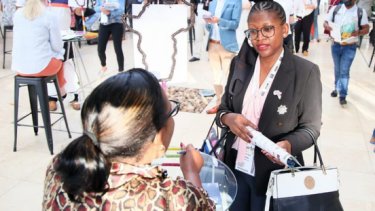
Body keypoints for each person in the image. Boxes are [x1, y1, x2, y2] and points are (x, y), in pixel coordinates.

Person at [42, 68, 215, 210]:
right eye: (171, 112)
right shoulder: (167, 197)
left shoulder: (59, 165)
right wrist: (192, 173)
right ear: (158, 138)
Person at [215, 1, 322, 210]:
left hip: (272, 174)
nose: (259, 38)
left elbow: (311, 128)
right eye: (253, 31)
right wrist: (228, 118)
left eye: (267, 29)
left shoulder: (305, 72)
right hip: (234, 167)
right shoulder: (240, 64)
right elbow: (223, 109)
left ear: (284, 29)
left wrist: (288, 145)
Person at [12, 0, 66, 97]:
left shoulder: (17, 14)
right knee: (60, 54)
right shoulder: (49, 15)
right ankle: (61, 88)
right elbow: (57, 46)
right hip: (42, 68)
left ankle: (60, 88)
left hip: (19, 68)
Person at [323, 0, 369, 105]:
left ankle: (342, 95)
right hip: (335, 45)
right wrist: (327, 26)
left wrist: (358, 32)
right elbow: (325, 22)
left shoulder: (360, 12)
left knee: (344, 71)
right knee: (337, 68)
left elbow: (367, 28)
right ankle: (336, 88)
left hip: (350, 46)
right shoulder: (336, 9)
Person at [204, 0, 242, 114]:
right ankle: (219, 103)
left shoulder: (236, 2)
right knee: (216, 77)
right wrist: (208, 23)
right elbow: (209, 27)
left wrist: (219, 20)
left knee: (229, 77)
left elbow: (235, 24)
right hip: (212, 43)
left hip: (227, 45)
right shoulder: (212, 3)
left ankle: (231, 104)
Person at [95, 0, 125, 72]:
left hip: (117, 23)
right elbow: (95, 8)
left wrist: (109, 13)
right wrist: (101, 9)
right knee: (100, 48)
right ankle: (103, 65)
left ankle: (121, 70)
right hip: (104, 24)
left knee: (118, 48)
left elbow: (121, 10)